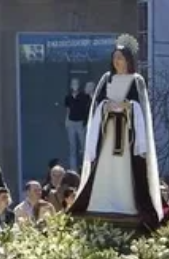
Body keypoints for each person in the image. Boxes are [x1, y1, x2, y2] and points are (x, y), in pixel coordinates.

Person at [68, 34, 162, 230]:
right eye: (114, 58)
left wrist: (127, 105)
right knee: (105, 166)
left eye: (120, 57)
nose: (117, 61)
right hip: (108, 132)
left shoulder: (136, 81)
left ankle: (126, 203)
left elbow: (141, 108)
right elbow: (98, 103)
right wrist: (106, 106)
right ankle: (101, 202)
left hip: (127, 134)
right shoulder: (106, 78)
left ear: (128, 60)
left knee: (125, 169)